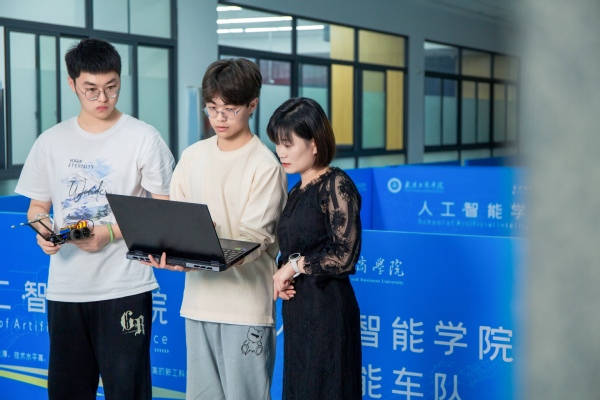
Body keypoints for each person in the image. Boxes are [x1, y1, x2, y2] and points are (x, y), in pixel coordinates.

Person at [14, 38, 174, 400]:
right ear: (72, 84)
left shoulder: (143, 138)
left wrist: (110, 233)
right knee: (68, 391)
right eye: (91, 89)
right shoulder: (51, 141)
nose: (103, 98)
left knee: (128, 391)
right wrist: (43, 230)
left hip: (124, 287)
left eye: (111, 87)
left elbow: (165, 212)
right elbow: (37, 208)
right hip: (66, 289)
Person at [145, 58, 287, 399]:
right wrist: (174, 253)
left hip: (246, 308)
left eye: (230, 109)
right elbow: (176, 221)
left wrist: (200, 251)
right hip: (198, 304)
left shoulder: (265, 165)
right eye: (212, 108)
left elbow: (253, 241)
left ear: (252, 105)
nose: (219, 118)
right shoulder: (192, 156)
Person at [267, 97, 363, 400]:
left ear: (315, 143)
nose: (280, 152)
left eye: (288, 143)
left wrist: (293, 267)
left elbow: (345, 256)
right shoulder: (297, 189)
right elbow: (296, 247)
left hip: (328, 311)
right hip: (300, 310)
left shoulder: (337, 184)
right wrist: (283, 275)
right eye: (277, 143)